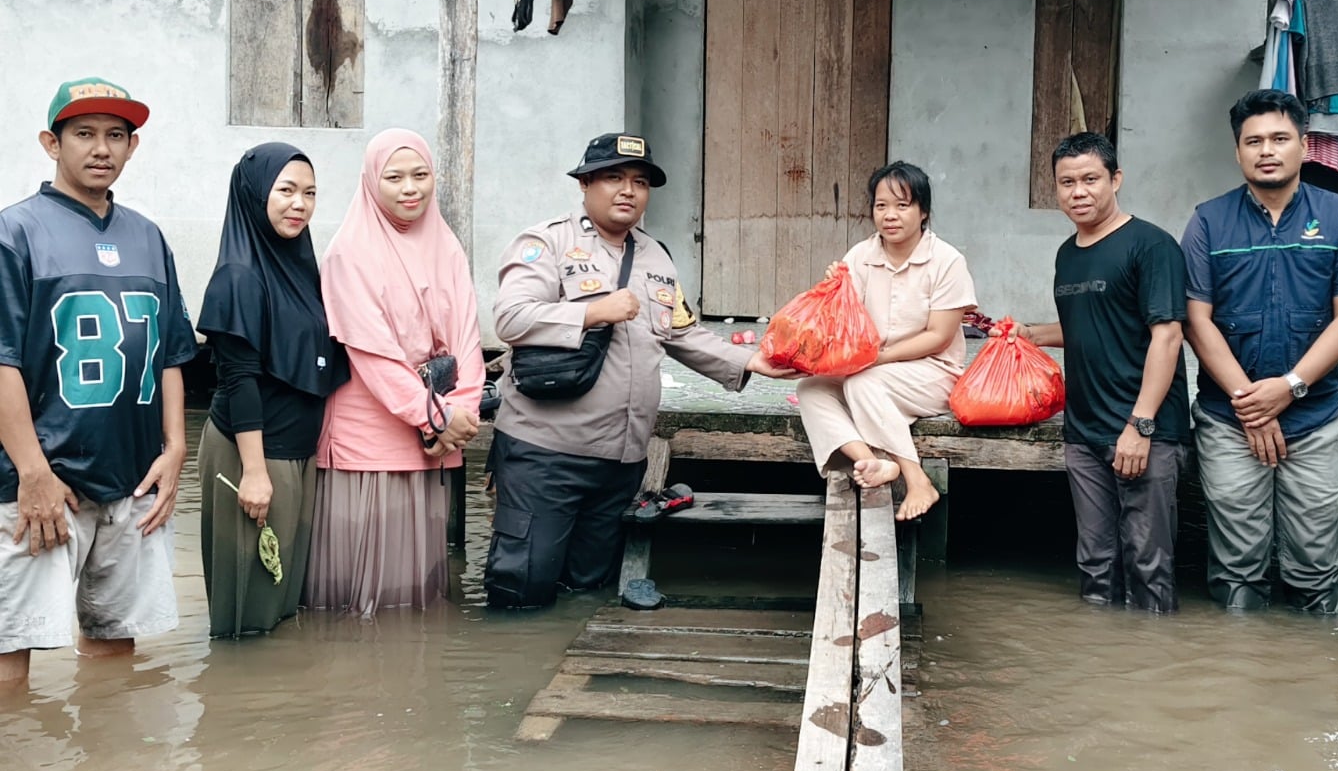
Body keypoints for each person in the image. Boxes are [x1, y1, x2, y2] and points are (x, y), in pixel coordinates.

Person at [486, 133, 793, 608]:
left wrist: (754, 361)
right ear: (585, 184)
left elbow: (682, 332)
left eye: (640, 182)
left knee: (590, 585)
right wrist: (592, 311)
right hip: (546, 452)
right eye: (613, 177)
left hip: (622, 459)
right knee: (522, 584)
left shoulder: (656, 256)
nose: (628, 190)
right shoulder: (546, 243)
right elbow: (510, 318)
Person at [0, 78, 197, 685]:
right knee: (11, 651)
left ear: (133, 147)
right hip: (43, 483)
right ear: (50, 143)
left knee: (114, 651)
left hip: (133, 479)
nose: (101, 148)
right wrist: (32, 472)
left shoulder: (147, 236)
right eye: (83, 134)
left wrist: (176, 448)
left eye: (116, 135)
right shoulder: (16, 233)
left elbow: (169, 354)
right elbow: (3, 361)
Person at [1182, 89, 1338, 615]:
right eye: (1253, 141)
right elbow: (1196, 322)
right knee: (1237, 566)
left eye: (1279, 138)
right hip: (1230, 418)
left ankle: (1313, 670)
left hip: (1313, 418)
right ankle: (1242, 667)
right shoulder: (1208, 221)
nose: (1266, 150)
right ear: (1238, 151)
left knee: (1316, 563)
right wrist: (1252, 402)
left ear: (1303, 145)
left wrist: (1289, 388)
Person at [1003, 133, 1188, 613]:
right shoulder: (1068, 253)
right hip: (1084, 432)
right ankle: (1101, 663)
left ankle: (1149, 668)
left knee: (1149, 564)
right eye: (1067, 182)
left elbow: (1167, 336)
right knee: (1095, 561)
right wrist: (1029, 333)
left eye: (1090, 179)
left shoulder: (1151, 245)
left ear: (1115, 179)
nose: (1078, 191)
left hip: (1143, 430)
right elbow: (1086, 326)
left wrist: (1140, 424)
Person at [308, 129, 485, 615]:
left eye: (421, 175)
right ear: (371, 182)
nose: (411, 188)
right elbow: (373, 355)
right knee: (366, 594)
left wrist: (463, 409)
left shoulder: (445, 245)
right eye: (395, 177)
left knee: (417, 591)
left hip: (436, 433)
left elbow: (467, 336)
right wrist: (437, 416)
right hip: (371, 439)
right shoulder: (350, 252)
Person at [197, 144, 346, 637]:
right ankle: (236, 705)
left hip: (296, 451)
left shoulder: (299, 268)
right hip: (254, 453)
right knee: (248, 607)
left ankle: (277, 705)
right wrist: (255, 472)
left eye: (309, 193)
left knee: (282, 599)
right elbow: (239, 379)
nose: (298, 204)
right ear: (255, 194)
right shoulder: (239, 276)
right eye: (284, 191)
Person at [797, 161, 977, 521]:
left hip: (932, 372)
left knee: (864, 383)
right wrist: (837, 290)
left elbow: (939, 337)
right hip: (872, 368)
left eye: (902, 205)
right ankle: (872, 460)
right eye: (881, 206)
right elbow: (843, 323)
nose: (890, 215)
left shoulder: (947, 261)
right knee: (811, 389)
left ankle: (916, 478)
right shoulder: (861, 256)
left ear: (923, 211)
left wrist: (878, 358)